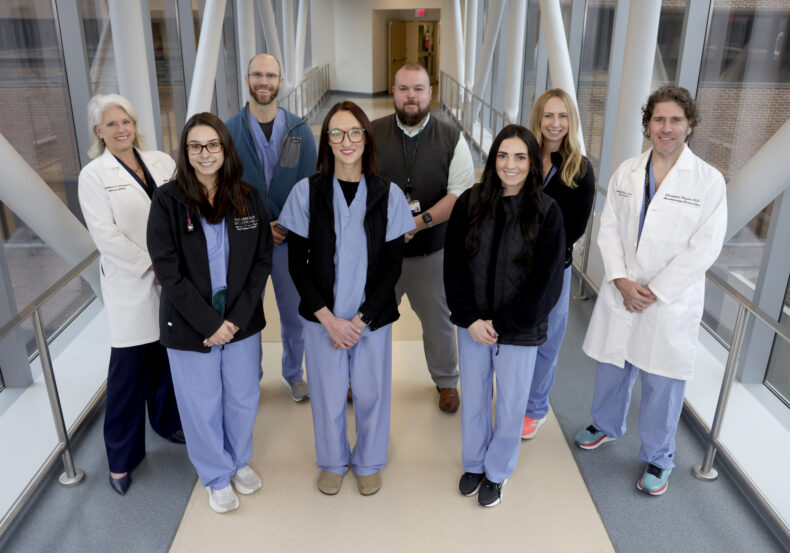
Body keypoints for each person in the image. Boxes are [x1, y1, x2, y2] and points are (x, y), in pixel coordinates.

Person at [576, 86, 727, 496]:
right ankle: (606, 424)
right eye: (659, 119)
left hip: (668, 304)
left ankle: (660, 457)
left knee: (662, 385)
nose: (666, 128)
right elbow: (608, 230)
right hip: (623, 292)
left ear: (689, 124)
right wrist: (622, 279)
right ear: (648, 124)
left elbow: (705, 249)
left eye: (676, 120)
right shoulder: (626, 171)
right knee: (612, 368)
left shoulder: (708, 181)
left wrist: (655, 291)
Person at [278, 101, 415, 496]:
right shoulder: (307, 192)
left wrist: (359, 320)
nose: (346, 141)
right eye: (336, 133)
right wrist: (329, 320)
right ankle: (334, 461)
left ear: (366, 138)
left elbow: (392, 267)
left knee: (372, 393)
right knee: (328, 394)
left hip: (370, 320)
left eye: (355, 132)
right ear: (326, 142)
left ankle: (369, 460)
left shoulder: (387, 195)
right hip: (323, 320)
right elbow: (298, 265)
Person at [147, 112, 273, 513]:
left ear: (225, 148)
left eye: (213, 144)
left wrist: (233, 319)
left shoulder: (248, 196)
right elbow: (168, 271)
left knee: (242, 395)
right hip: (190, 322)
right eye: (196, 146)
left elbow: (260, 262)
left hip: (241, 318)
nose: (205, 153)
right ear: (185, 152)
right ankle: (215, 475)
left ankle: (238, 461)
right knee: (200, 403)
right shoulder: (168, 201)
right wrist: (210, 323)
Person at [444, 125, 565, 507]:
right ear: (492, 158)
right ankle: (475, 464)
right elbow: (454, 266)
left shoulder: (548, 212)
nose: (509, 165)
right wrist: (469, 318)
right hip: (473, 326)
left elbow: (547, 284)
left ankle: (497, 472)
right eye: (502, 155)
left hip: (518, 330)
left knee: (511, 404)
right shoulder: (469, 202)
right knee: (476, 398)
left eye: (519, 157)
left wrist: (504, 324)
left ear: (532, 165)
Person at [78, 93, 183, 496]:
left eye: (127, 122)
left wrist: (174, 264)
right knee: (127, 372)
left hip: (171, 279)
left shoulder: (161, 161)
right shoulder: (94, 175)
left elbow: (181, 210)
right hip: (132, 283)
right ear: (98, 132)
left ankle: (166, 423)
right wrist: (153, 264)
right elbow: (106, 236)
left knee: (165, 358)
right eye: (112, 124)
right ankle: (121, 459)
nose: (121, 130)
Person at [371, 62, 475, 413]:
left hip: (431, 252)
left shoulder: (451, 138)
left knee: (439, 322)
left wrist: (420, 222)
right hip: (380, 253)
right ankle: (364, 378)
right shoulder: (371, 133)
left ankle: (446, 381)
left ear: (430, 93)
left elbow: (459, 194)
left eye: (418, 89)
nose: (410, 96)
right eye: (403, 89)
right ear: (394, 92)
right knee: (370, 317)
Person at [226, 53, 317, 402]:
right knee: (246, 316)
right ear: (247, 79)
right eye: (258, 74)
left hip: (289, 243)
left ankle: (294, 374)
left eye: (271, 75)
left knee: (295, 315)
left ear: (281, 82)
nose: (264, 81)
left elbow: (310, 186)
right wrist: (260, 228)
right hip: (246, 244)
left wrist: (288, 226)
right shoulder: (228, 131)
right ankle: (250, 378)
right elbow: (222, 187)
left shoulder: (298, 131)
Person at [521, 89, 596, 439]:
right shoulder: (522, 157)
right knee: (514, 333)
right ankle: (514, 395)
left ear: (571, 121)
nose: (555, 124)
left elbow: (576, 227)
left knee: (548, 338)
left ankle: (535, 407)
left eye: (562, 116)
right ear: (538, 118)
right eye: (549, 116)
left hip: (554, 268)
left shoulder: (580, 168)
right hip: (514, 263)